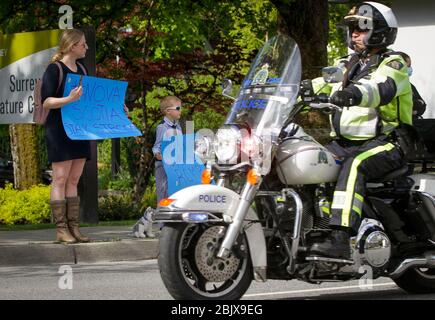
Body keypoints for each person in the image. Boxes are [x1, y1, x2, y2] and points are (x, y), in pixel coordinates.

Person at [304, 2, 413, 259]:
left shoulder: (394, 63)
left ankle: (341, 236)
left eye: (361, 28)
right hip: (345, 142)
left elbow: (380, 88)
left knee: (355, 166)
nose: (354, 33)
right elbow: (321, 83)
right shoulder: (347, 64)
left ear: (379, 31)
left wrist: (352, 94)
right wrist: (292, 90)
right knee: (307, 160)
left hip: (388, 142)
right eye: (352, 28)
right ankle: (307, 228)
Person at [41, 29, 90, 243]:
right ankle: (61, 230)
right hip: (59, 130)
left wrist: (116, 109)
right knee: (60, 179)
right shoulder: (55, 69)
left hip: (79, 129)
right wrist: (68, 99)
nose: (86, 47)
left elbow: (90, 100)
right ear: (72, 46)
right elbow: (47, 102)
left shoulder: (82, 69)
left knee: (74, 179)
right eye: (83, 44)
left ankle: (74, 228)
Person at [152, 96, 183, 204]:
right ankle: (161, 216)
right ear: (168, 111)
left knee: (175, 191)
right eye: (178, 108)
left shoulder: (178, 127)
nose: (181, 111)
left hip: (175, 164)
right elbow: (157, 146)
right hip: (163, 165)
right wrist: (157, 154)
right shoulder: (162, 127)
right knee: (163, 190)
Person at [399, 52, 427, 119]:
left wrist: (416, 111)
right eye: (407, 66)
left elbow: (423, 105)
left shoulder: (410, 85)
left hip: (414, 120)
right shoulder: (390, 86)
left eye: (410, 65)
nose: (410, 68)